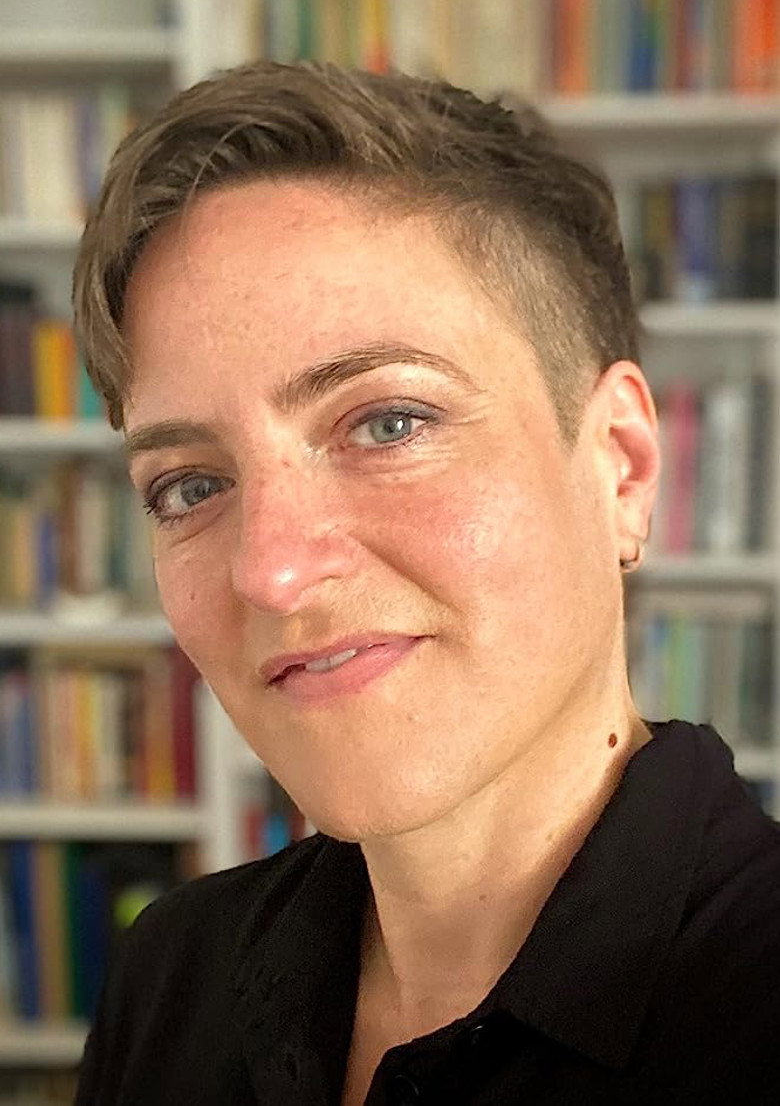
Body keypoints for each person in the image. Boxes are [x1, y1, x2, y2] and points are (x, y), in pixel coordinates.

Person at [71, 60, 780, 1106]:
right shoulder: (173, 974)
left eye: (388, 422)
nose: (272, 570)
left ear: (621, 465)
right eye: (191, 485)